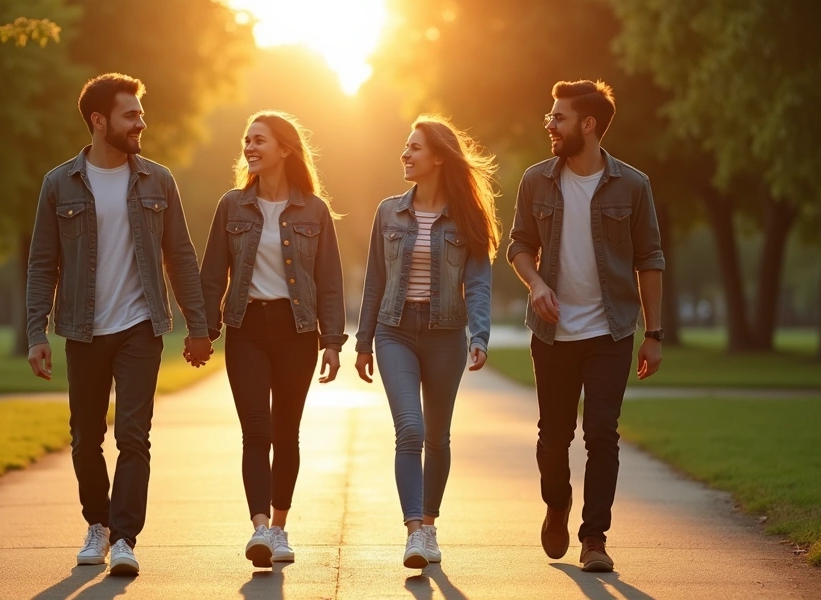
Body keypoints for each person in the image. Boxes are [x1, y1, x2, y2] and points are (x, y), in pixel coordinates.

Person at [26, 73, 214, 576]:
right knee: (86, 438)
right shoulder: (58, 183)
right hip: (83, 330)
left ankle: (125, 537)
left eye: (140, 113)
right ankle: (98, 524)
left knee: (133, 435)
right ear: (98, 120)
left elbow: (180, 255)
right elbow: (43, 263)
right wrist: (35, 333)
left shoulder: (158, 180)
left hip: (139, 326)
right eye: (131, 115)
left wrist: (199, 326)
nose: (141, 123)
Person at [506, 80, 665, 573]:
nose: (549, 124)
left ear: (588, 124)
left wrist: (654, 334)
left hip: (610, 332)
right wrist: (534, 284)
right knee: (554, 437)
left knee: (602, 433)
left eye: (559, 117)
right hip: (551, 334)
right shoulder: (536, 180)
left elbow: (650, 258)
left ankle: (594, 538)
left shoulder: (632, 185)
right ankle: (557, 503)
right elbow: (518, 246)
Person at [200, 110, 347, 568]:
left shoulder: (315, 211)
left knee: (287, 433)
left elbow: (330, 281)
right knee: (256, 431)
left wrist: (332, 341)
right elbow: (211, 275)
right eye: (246, 140)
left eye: (259, 139)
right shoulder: (232, 206)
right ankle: (260, 528)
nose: (249, 147)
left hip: (296, 332)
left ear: (285, 149)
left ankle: (280, 528)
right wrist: (204, 331)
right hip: (246, 329)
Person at [354, 115, 499, 569]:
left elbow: (477, 282)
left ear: (438, 157)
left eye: (414, 148)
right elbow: (375, 280)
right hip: (394, 330)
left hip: (445, 335)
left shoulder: (467, 217)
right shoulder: (388, 212)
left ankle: (431, 526)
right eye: (405, 146)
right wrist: (362, 342)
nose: (405, 154)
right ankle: (414, 532)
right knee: (411, 429)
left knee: (437, 437)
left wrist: (480, 334)